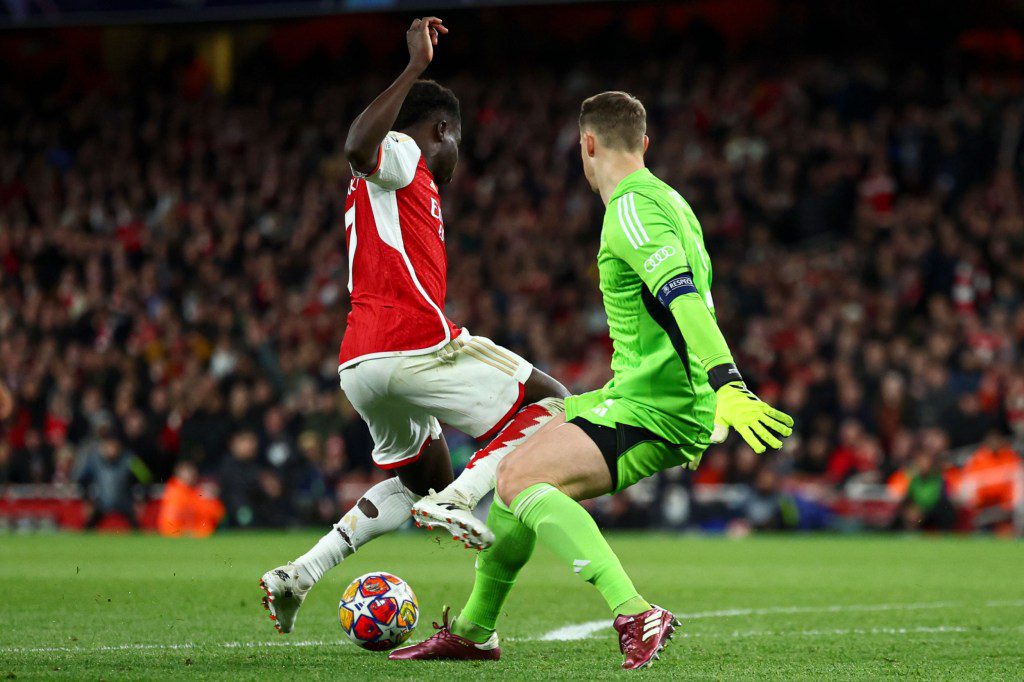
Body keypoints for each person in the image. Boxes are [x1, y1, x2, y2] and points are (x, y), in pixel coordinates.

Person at [391, 92, 793, 669]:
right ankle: (474, 630)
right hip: (650, 393)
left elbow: (683, 303)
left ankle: (633, 611)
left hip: (658, 400)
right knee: (513, 484)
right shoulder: (671, 201)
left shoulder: (629, 208)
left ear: (587, 144)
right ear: (645, 144)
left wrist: (727, 381)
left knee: (523, 479)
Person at [259, 17, 568, 635]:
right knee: (554, 401)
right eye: (458, 141)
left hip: (361, 364)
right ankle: (462, 499)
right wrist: (413, 69)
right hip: (414, 342)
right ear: (443, 130)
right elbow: (356, 147)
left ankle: (300, 573)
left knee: (419, 476)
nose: (458, 156)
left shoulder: (399, 189)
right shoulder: (403, 154)